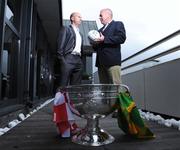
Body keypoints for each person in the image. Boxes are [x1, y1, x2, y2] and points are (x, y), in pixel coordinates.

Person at [92, 8, 126, 84]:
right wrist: (94, 43)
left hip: (112, 62)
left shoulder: (118, 24)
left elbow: (121, 38)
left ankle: (120, 96)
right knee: (104, 89)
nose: (99, 17)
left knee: (116, 87)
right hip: (101, 64)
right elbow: (96, 47)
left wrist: (104, 39)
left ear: (108, 15)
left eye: (101, 15)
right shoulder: (99, 30)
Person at [57, 12, 83, 86]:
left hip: (78, 59)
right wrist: (63, 61)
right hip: (68, 58)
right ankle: (60, 97)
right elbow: (60, 46)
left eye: (81, 17)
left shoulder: (80, 33)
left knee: (76, 86)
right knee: (63, 84)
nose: (81, 19)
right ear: (72, 18)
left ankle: (73, 98)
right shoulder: (66, 29)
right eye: (79, 17)